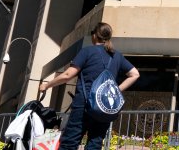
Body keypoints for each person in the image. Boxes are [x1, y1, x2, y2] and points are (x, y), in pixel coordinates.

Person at [39, 22, 140, 150]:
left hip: (84, 105)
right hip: (104, 108)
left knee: (70, 142)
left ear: (94, 36)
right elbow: (135, 74)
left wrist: (47, 85)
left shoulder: (87, 51)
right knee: (95, 144)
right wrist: (116, 90)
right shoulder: (117, 56)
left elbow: (68, 75)